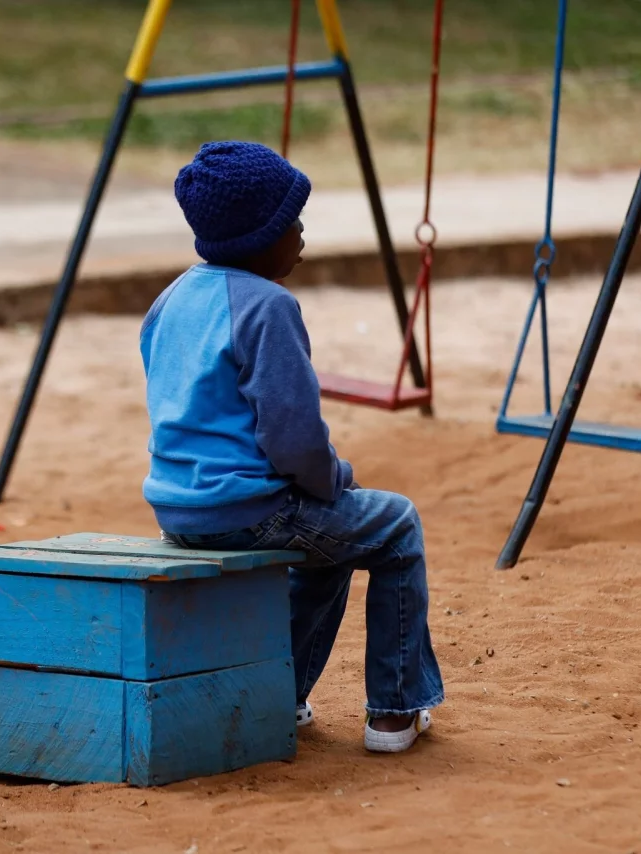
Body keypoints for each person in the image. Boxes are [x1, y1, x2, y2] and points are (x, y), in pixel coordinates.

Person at [139, 140, 443, 753]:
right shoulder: (268, 307)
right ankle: (394, 710)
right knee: (395, 525)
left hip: (178, 507)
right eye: (290, 221)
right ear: (258, 237)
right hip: (250, 510)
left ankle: (280, 694)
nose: (301, 232)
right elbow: (293, 438)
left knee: (330, 546)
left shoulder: (172, 299)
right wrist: (335, 477)